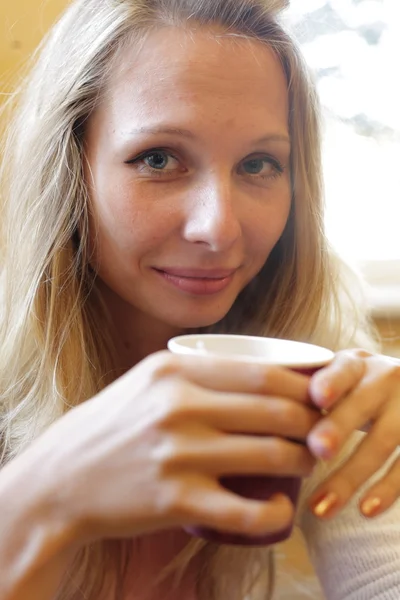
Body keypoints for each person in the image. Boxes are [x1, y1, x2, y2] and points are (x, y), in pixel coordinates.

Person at [0, 0, 399, 598]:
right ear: (69, 169)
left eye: (259, 164)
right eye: (159, 159)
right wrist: (39, 498)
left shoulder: (317, 362)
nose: (219, 229)